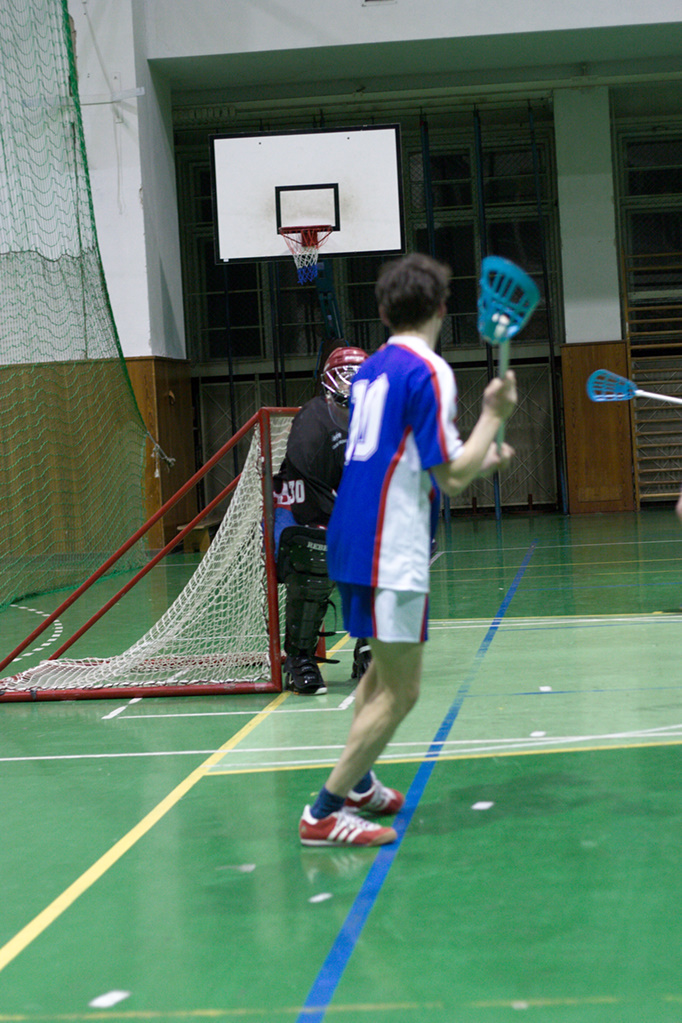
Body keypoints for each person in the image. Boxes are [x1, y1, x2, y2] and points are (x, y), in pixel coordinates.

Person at [299, 252, 517, 846]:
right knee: (403, 690)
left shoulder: (370, 370)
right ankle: (323, 812)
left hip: (349, 534)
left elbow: (418, 460)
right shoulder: (429, 370)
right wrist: (493, 416)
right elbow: (452, 477)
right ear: (442, 308)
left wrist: (482, 455)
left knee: (379, 675)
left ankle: (359, 784)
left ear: (383, 311)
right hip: (389, 543)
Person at [273, 344, 371, 695]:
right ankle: (299, 658)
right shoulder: (313, 419)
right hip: (298, 514)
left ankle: (370, 650)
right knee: (315, 556)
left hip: (340, 515)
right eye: (347, 376)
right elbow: (308, 490)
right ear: (330, 381)